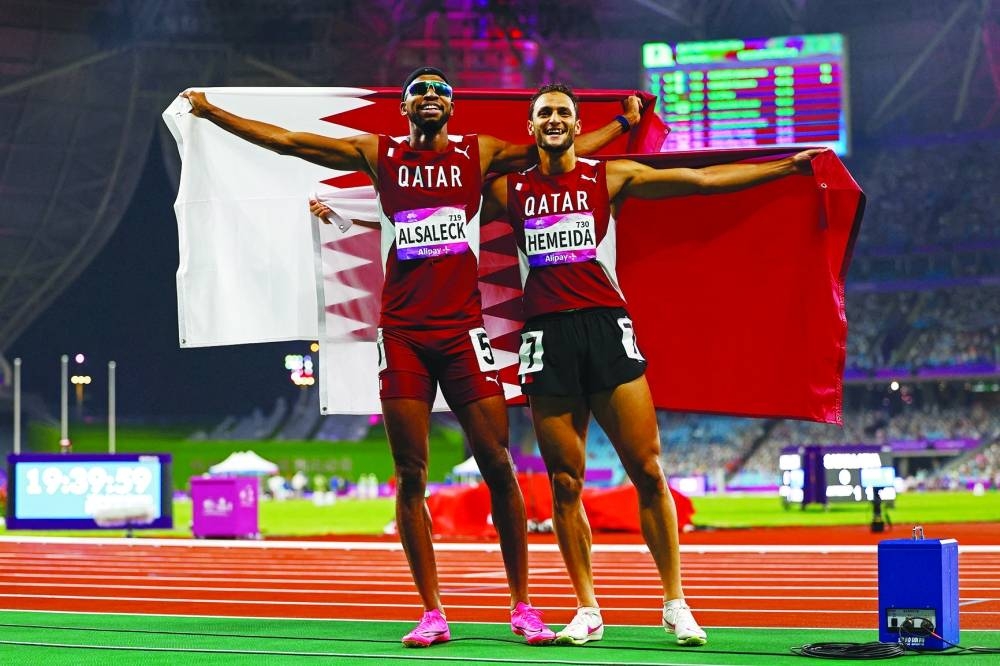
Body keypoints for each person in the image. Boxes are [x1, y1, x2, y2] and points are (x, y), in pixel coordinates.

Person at [182, 68, 640, 648]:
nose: (430, 97)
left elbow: (560, 151)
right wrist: (213, 114)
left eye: (440, 91)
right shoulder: (380, 154)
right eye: (419, 91)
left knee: (498, 464)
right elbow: (292, 142)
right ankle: (432, 612)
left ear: (451, 107)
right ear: (405, 108)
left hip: (463, 331)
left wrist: (622, 124)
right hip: (401, 334)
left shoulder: (481, 153)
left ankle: (523, 606)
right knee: (410, 474)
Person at [484, 83, 825, 647]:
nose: (554, 120)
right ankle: (587, 610)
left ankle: (675, 603)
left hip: (605, 327)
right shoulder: (507, 189)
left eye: (563, 113)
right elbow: (426, 208)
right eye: (544, 112)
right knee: (565, 483)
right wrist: (340, 214)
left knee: (648, 470)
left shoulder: (607, 177)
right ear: (531, 126)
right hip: (546, 335)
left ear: (575, 124)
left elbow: (701, 180)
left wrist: (786, 166)